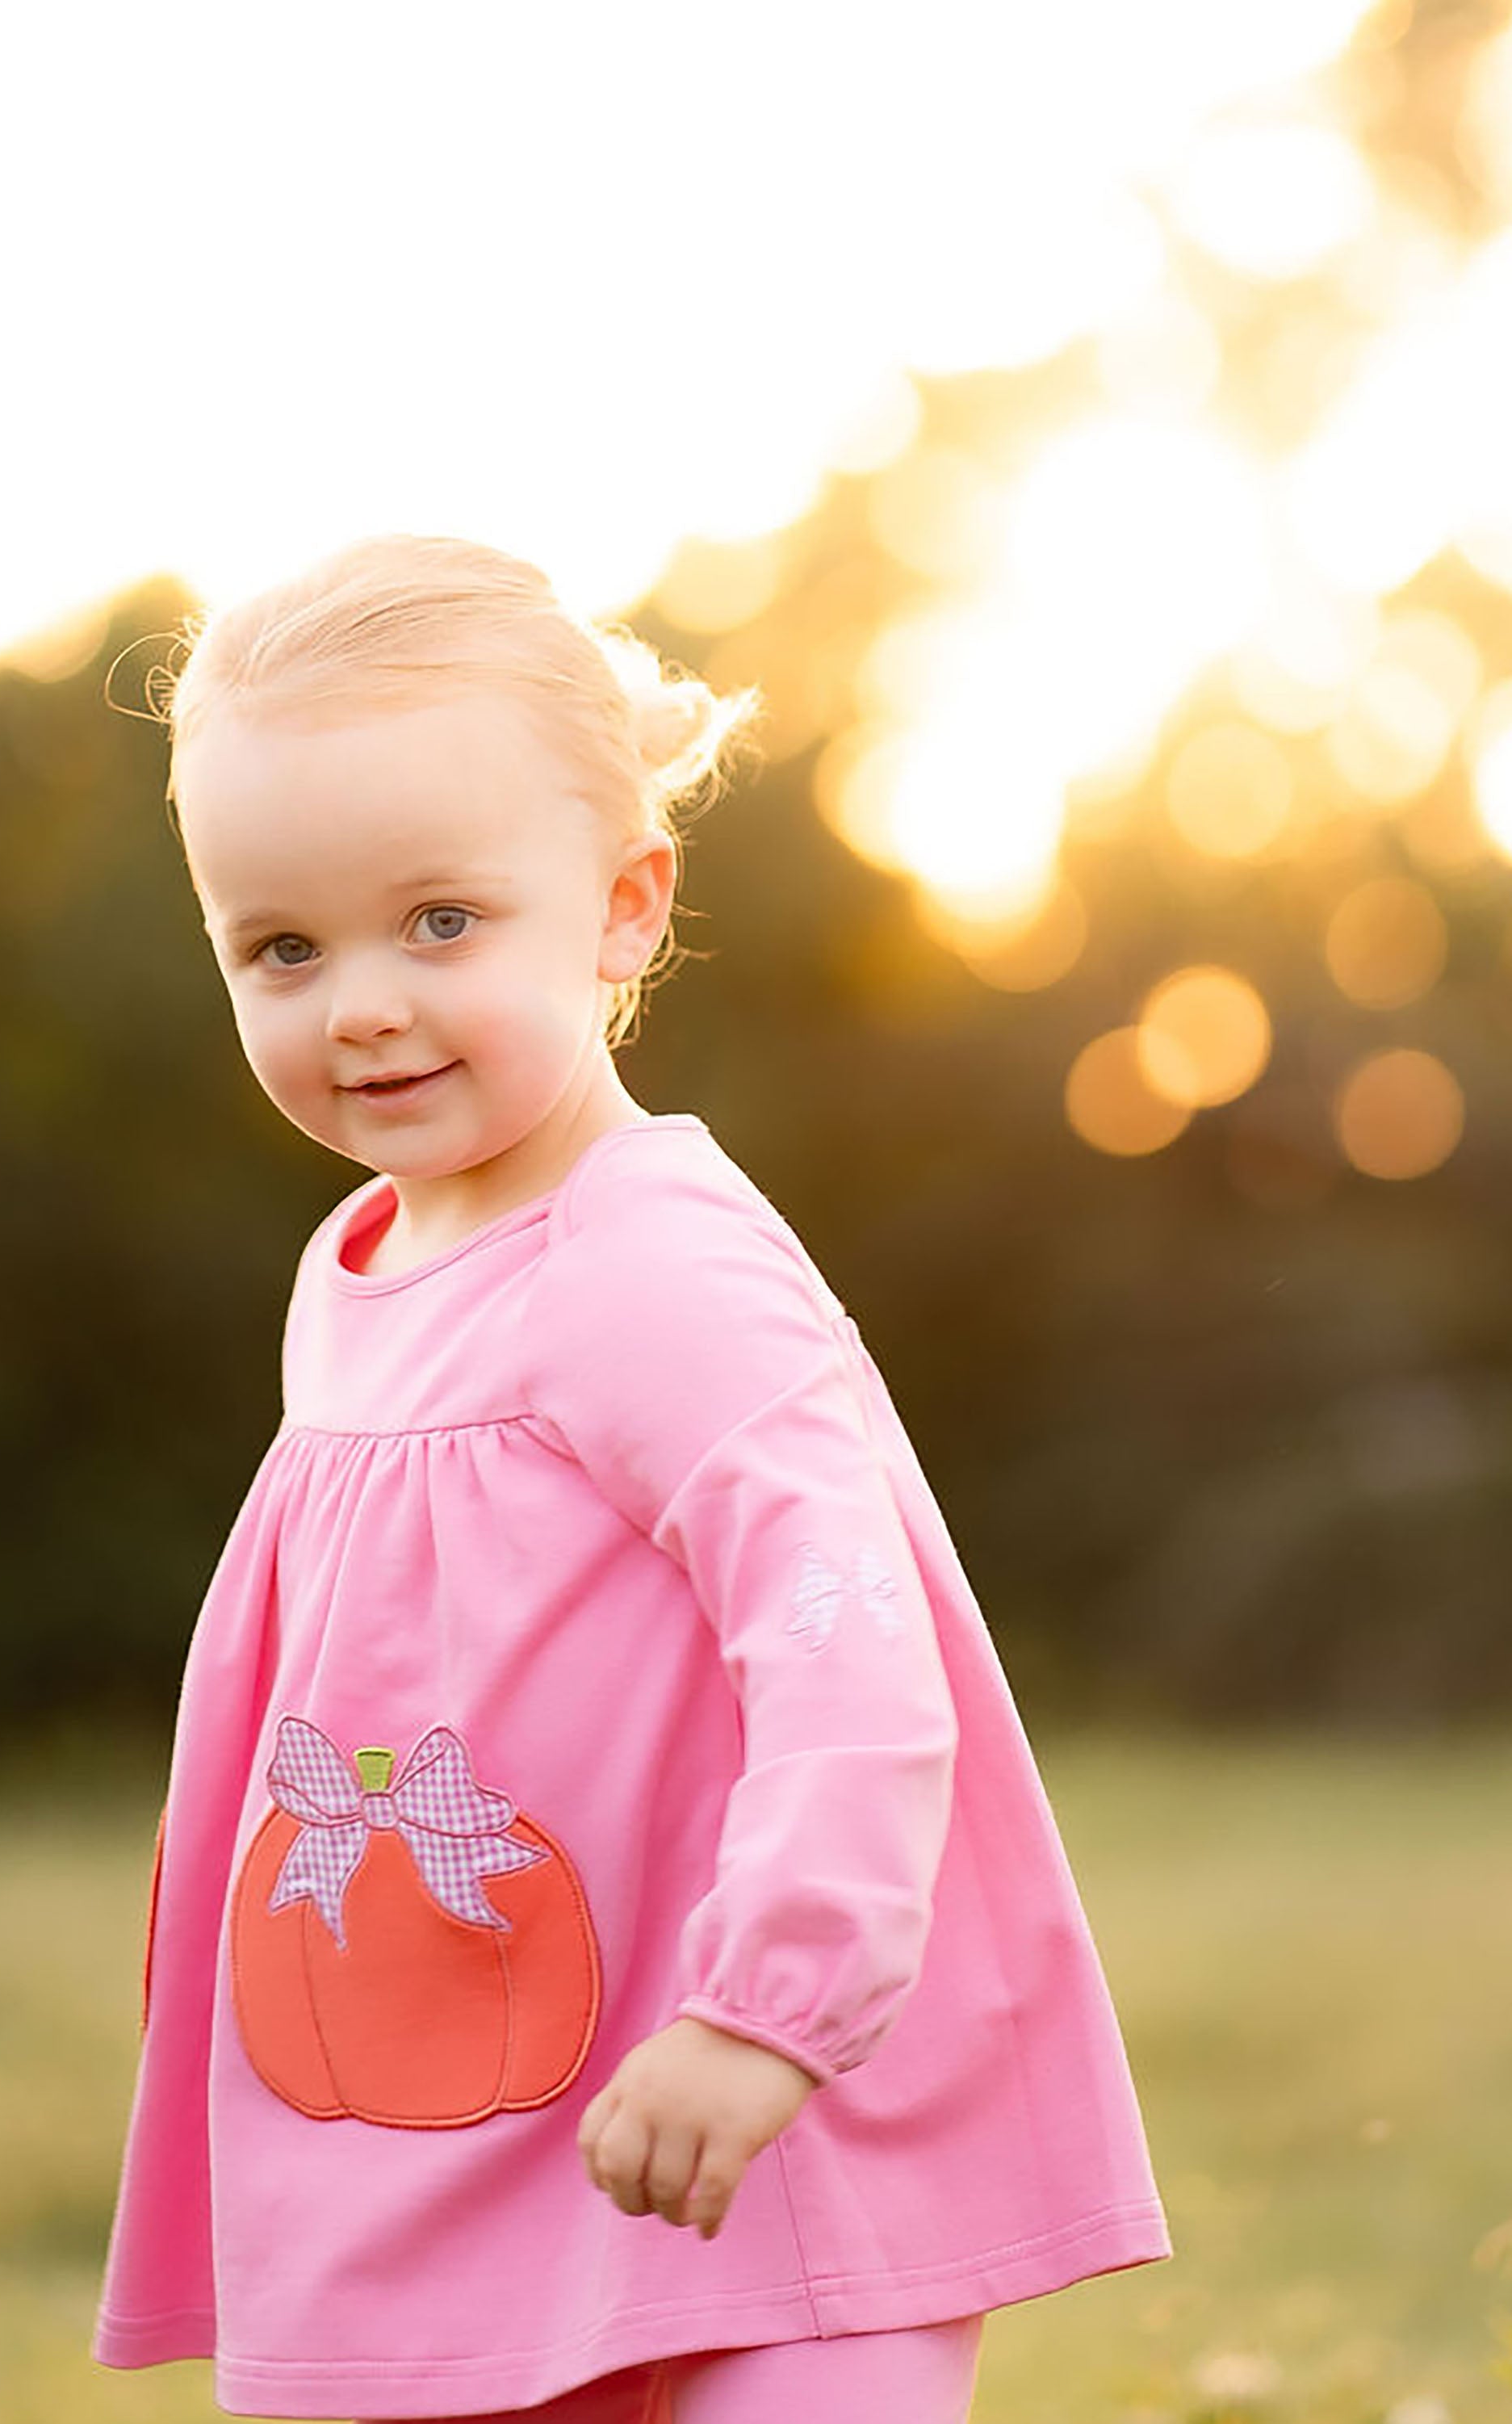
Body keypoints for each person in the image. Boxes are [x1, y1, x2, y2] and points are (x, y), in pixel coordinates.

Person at [90, 534, 1171, 2424]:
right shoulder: (355, 1273)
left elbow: (846, 1639)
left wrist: (775, 2010)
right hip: (477, 2119)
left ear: (622, 905)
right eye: (284, 945)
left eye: (440, 920)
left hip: (768, 2109)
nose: (358, 1001)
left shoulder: (648, 1259)